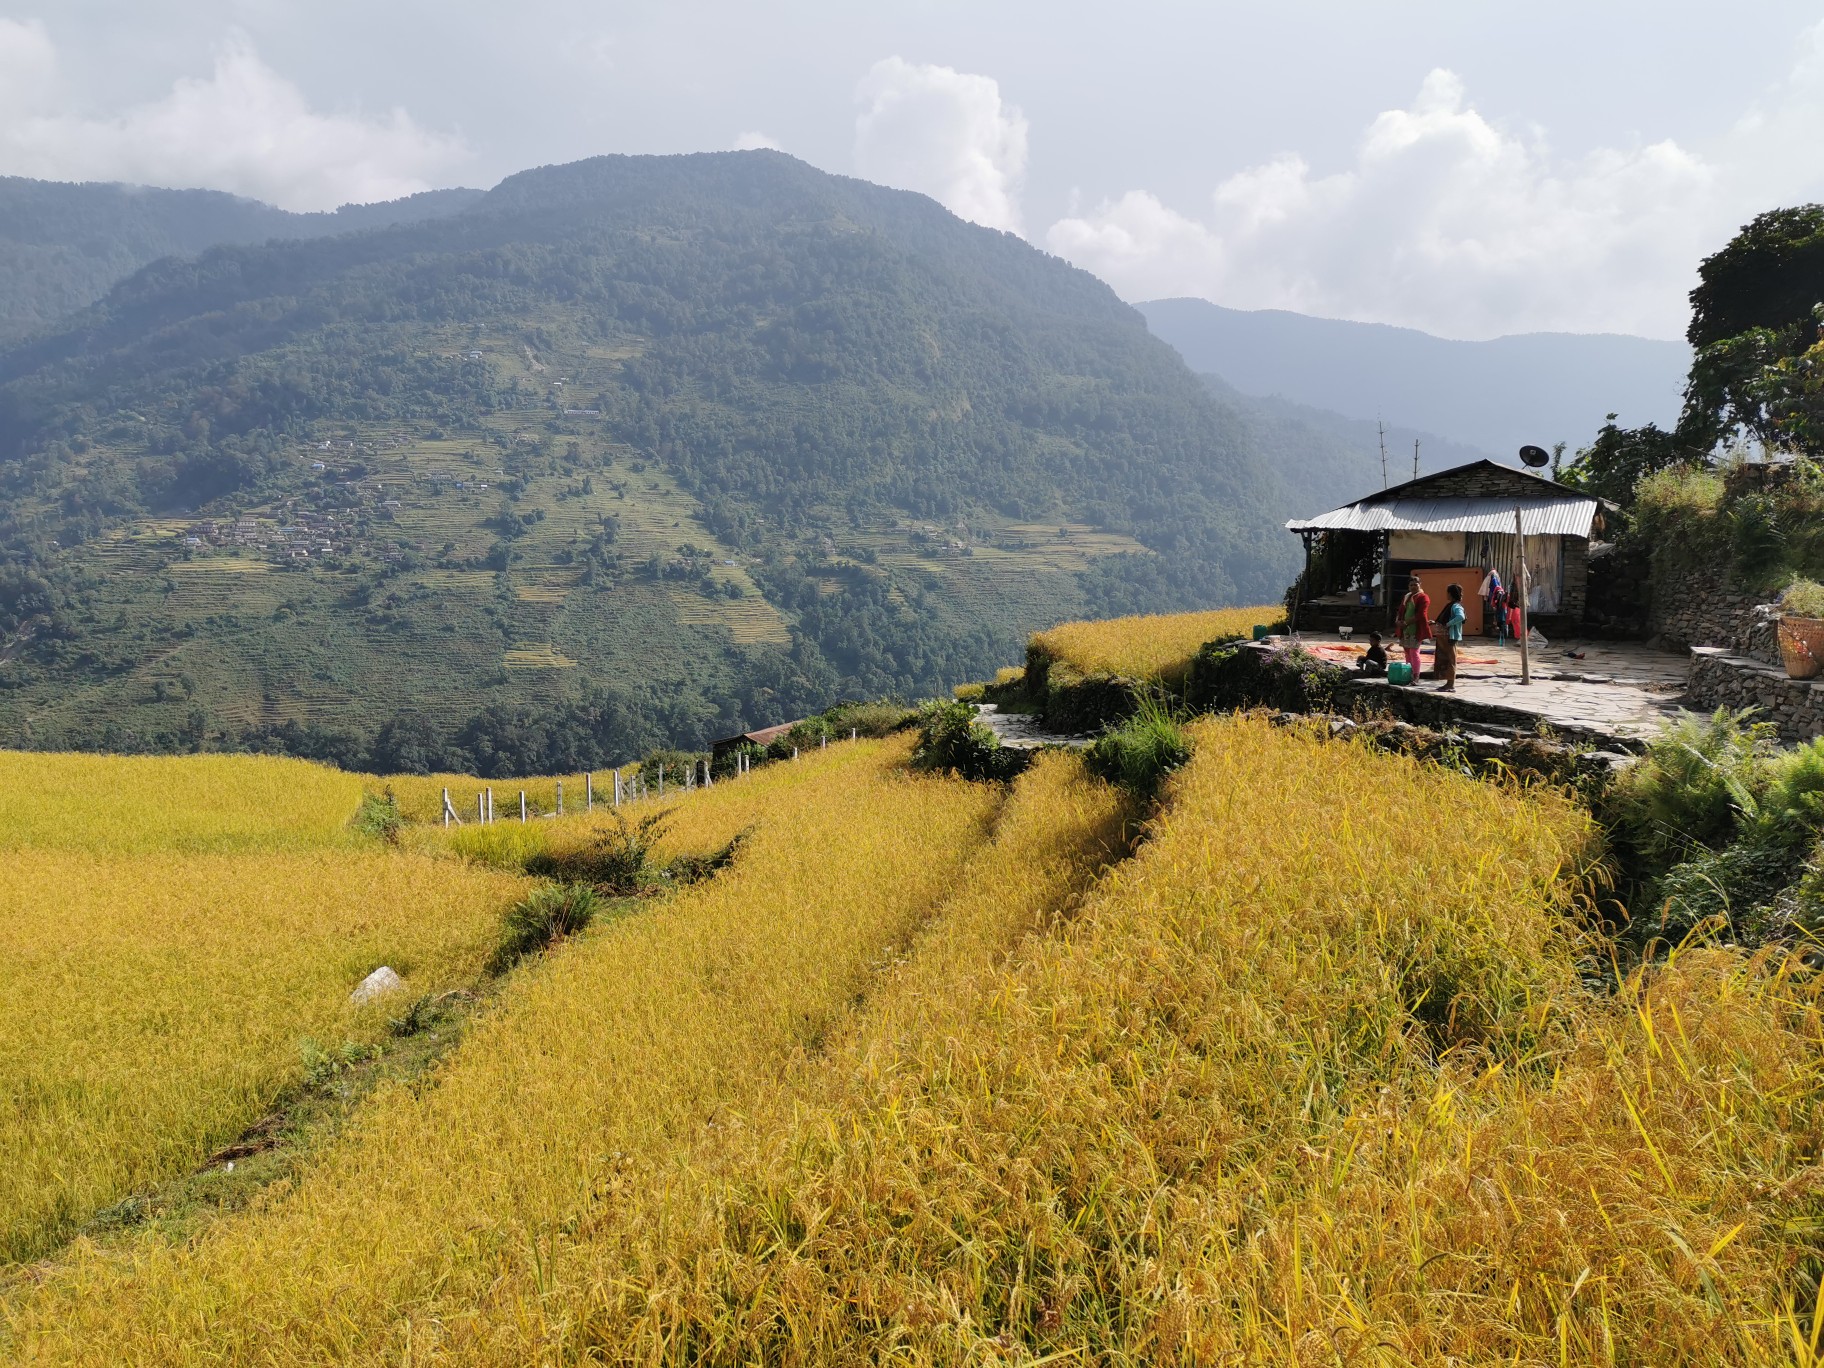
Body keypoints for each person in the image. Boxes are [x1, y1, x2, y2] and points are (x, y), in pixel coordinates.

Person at [1397, 575, 1431, 680]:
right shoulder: (1407, 597)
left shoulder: (1423, 597)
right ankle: (1409, 674)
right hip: (1405, 629)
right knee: (1407, 652)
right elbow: (1400, 610)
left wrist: (1406, 622)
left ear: (1419, 585)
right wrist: (1398, 621)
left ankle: (1416, 676)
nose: (1413, 587)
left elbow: (1421, 614)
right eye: (1411, 585)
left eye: (1415, 585)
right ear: (1408, 586)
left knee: (1414, 652)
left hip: (1416, 629)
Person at [1435, 583, 1466, 692]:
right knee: (1444, 658)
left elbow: (1461, 617)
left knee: (1450, 659)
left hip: (1450, 637)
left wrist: (1448, 624)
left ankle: (1451, 684)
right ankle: (1447, 682)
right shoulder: (1450, 605)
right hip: (1444, 637)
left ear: (1450, 594)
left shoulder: (1456, 606)